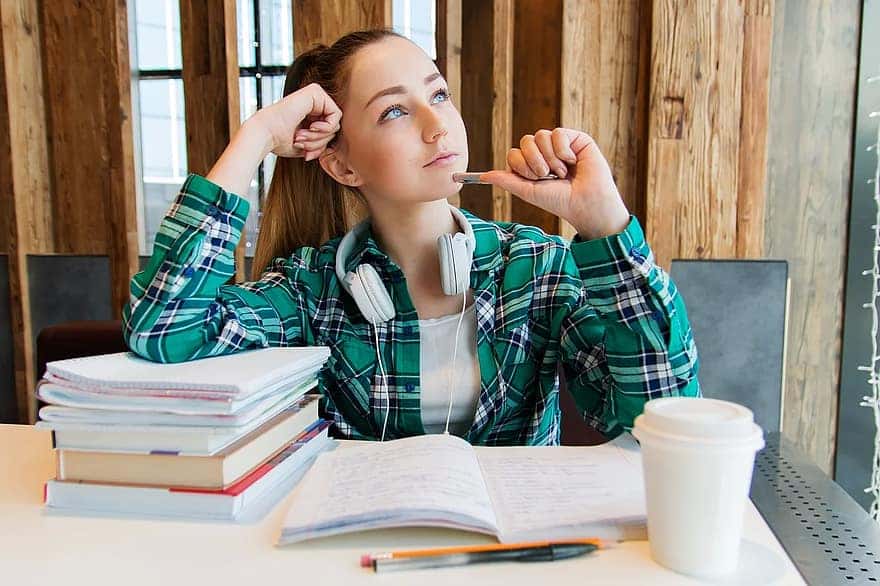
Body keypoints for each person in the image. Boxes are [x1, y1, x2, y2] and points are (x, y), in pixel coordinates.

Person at [123, 28, 699, 445]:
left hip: (514, 558)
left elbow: (660, 413)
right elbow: (163, 327)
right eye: (395, 112)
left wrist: (604, 223)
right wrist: (254, 138)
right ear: (343, 166)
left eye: (438, 94)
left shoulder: (537, 266)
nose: (436, 124)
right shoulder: (309, 291)